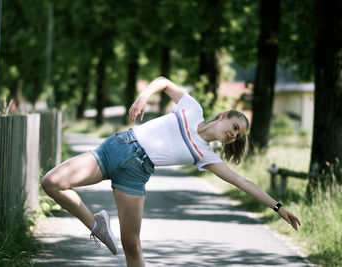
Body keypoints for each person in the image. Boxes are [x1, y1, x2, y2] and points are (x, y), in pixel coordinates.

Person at [41, 77, 301, 267]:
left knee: (132, 245)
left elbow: (243, 182)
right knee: (52, 182)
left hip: (133, 175)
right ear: (222, 116)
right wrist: (143, 96)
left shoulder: (204, 155)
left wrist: (278, 207)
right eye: (234, 126)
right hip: (115, 147)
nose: (233, 134)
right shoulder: (192, 109)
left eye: (237, 135)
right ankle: (97, 225)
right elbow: (164, 82)